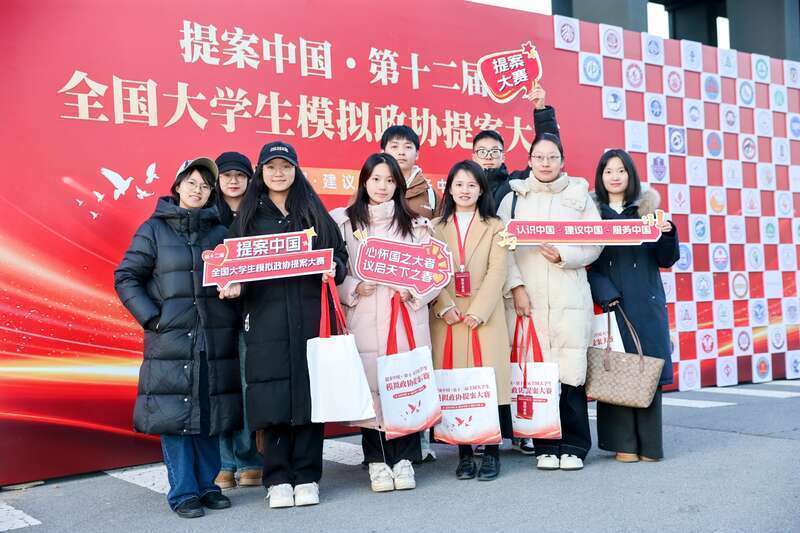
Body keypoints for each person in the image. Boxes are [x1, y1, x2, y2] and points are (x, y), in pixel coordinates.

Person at [220, 141, 348, 509]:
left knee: (310, 398)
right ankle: (276, 478)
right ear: (261, 172)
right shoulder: (248, 217)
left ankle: (307, 476)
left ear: (296, 170)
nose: (279, 173)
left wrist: (334, 268)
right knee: (271, 398)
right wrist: (234, 285)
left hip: (311, 319)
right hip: (265, 321)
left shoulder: (312, 211)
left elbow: (339, 256)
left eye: (286, 166)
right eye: (272, 167)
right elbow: (231, 267)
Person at [114, 158, 241, 518]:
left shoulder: (220, 232)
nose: (198, 190)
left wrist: (235, 296)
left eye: (205, 186)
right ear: (177, 185)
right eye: (192, 183)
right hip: (170, 340)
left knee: (210, 414)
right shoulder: (153, 229)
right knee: (176, 416)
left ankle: (207, 486)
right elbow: (126, 276)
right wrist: (153, 318)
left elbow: (235, 280)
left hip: (213, 340)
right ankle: (183, 492)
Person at [331, 152, 437, 493]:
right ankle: (376, 461)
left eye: (390, 180)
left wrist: (416, 291)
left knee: (405, 387)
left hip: (404, 319)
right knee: (371, 391)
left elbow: (435, 272)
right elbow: (334, 271)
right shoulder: (345, 223)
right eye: (376, 179)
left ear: (398, 185)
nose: (382, 186)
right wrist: (353, 288)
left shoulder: (416, 225)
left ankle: (405, 459)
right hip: (363, 316)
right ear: (364, 182)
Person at [497, 133, 602, 471]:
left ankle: (574, 445)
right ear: (529, 160)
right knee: (538, 375)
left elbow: (596, 242)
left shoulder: (579, 196)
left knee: (571, 373)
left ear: (562, 161)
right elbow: (500, 249)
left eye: (552, 157)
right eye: (539, 157)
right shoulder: (513, 198)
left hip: (569, 295)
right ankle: (545, 443)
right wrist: (516, 287)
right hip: (528, 300)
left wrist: (565, 255)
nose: (545, 163)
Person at [587, 149, 679, 463]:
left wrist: (668, 234)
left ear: (631, 175)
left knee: (646, 368)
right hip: (610, 303)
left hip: (646, 301)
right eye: (608, 171)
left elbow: (666, 259)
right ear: (600, 177)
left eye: (621, 170)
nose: (615, 177)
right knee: (615, 368)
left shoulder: (649, 212)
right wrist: (603, 291)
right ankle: (623, 443)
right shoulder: (590, 214)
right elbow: (587, 262)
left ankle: (650, 445)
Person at [429, 160, 511, 481]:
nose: (465, 190)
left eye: (472, 185)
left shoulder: (496, 226)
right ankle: (463, 453)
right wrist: (444, 306)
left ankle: (491, 452)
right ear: (449, 188)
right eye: (459, 184)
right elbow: (428, 269)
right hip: (448, 316)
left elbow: (498, 270)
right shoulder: (433, 227)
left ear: (481, 190)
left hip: (484, 314)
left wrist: (479, 310)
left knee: (487, 383)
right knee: (456, 385)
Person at [211, 151, 263, 490]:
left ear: (250, 179)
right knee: (218, 388)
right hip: (212, 315)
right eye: (226, 174)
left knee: (246, 386)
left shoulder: (259, 215)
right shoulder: (205, 214)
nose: (233, 180)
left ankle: (247, 460)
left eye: (240, 175)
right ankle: (223, 462)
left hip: (250, 313)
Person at [472, 84, 560, 211]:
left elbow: (548, 146)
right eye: (482, 152)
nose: (488, 156)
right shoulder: (464, 187)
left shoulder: (517, 182)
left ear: (503, 157)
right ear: (474, 157)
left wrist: (541, 110)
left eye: (494, 151)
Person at [380, 125, 440, 219]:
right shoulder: (371, 189)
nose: (401, 152)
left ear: (417, 154)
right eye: (394, 146)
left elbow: (439, 227)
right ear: (383, 152)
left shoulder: (430, 195)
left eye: (408, 147)